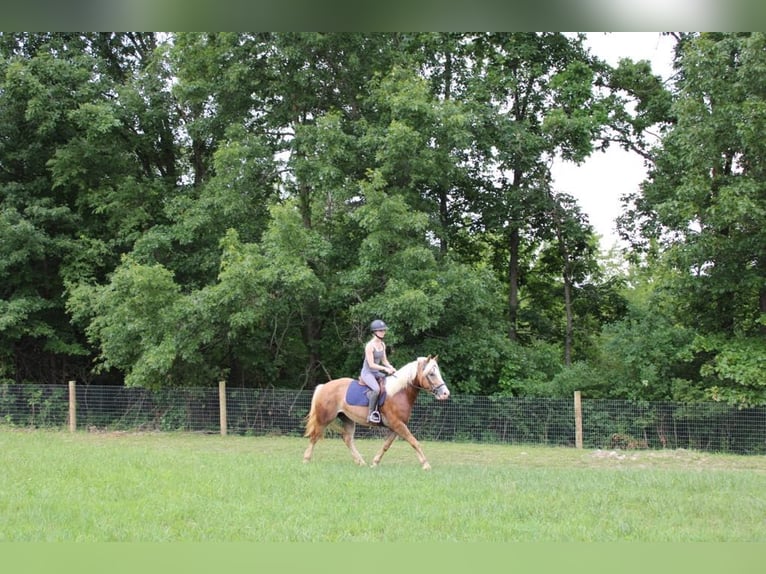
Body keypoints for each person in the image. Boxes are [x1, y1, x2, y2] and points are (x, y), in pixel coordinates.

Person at [360, 319, 396, 423]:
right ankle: (371, 414)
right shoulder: (369, 346)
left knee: (389, 384)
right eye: (381, 330)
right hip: (367, 373)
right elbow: (371, 364)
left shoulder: (383, 344)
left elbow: (384, 360)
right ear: (375, 332)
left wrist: (391, 367)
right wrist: (385, 369)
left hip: (376, 372)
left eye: (384, 330)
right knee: (376, 389)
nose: (383, 332)